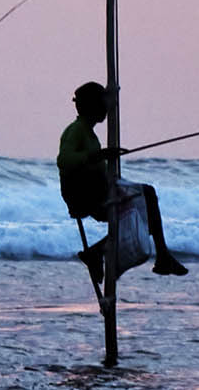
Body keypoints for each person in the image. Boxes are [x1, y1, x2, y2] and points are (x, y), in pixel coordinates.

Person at [57, 80, 187, 296]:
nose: (106, 109)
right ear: (92, 106)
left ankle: (97, 252)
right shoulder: (76, 130)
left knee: (143, 213)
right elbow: (64, 160)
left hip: (96, 192)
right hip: (85, 197)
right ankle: (161, 255)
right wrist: (98, 156)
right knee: (148, 195)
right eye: (102, 104)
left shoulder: (88, 133)